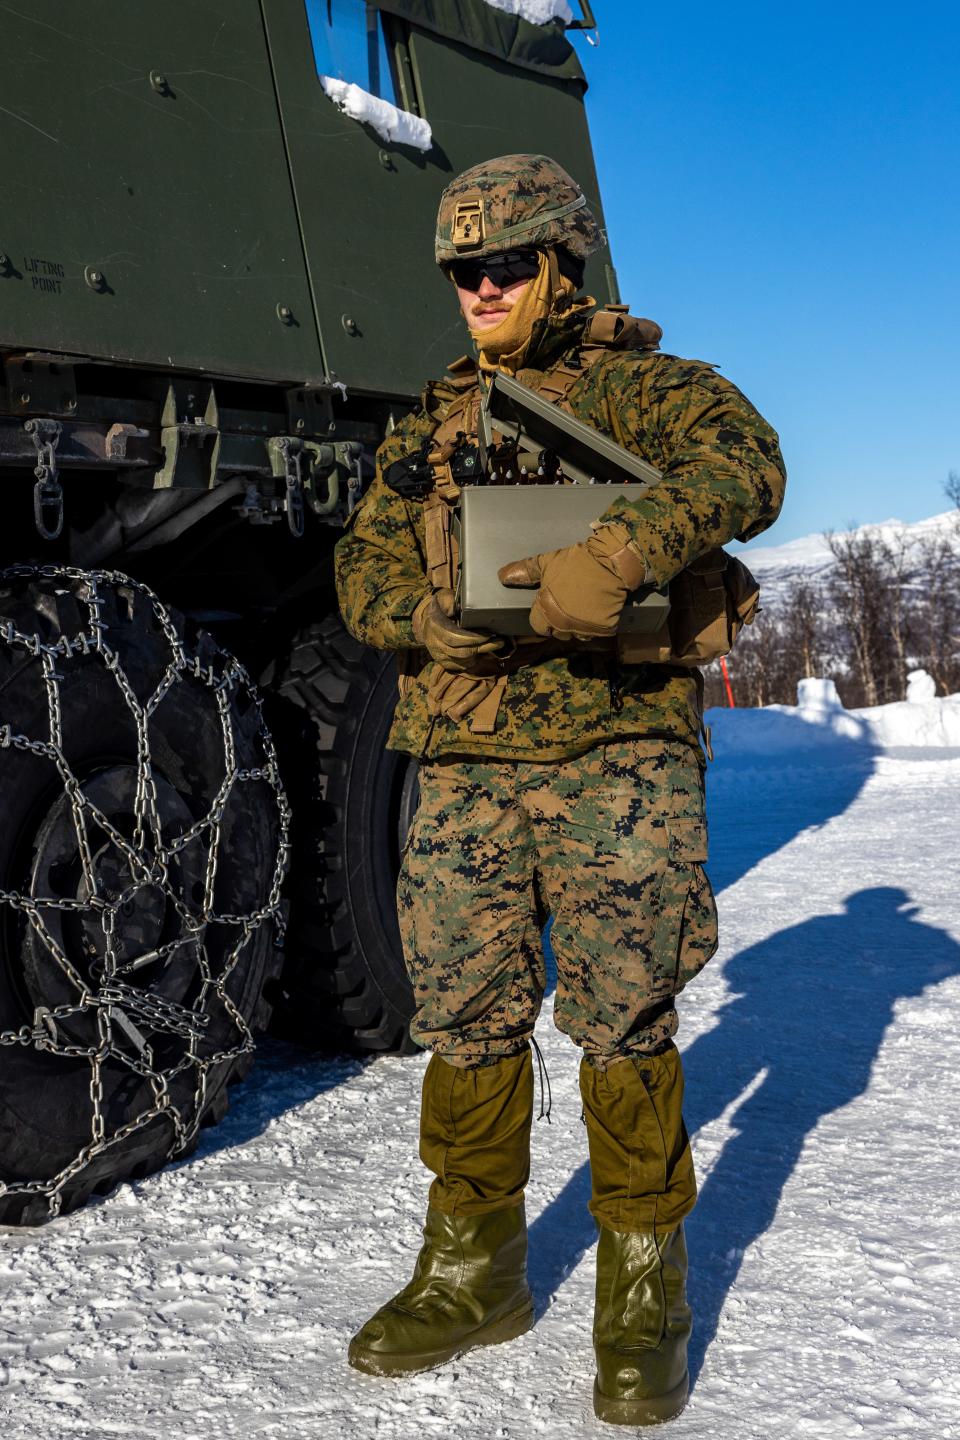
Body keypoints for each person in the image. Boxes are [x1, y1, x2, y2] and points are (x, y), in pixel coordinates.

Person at [334, 153, 786, 1426]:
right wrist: (431, 619)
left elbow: (749, 464)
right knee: (465, 1013)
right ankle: (473, 1267)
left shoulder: (649, 390)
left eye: (502, 265)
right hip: (467, 758)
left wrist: (624, 547)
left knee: (624, 1013)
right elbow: (360, 575)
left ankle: (644, 1288)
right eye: (461, 270)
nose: (478, 288)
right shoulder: (427, 426)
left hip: (617, 758)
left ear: (559, 262)